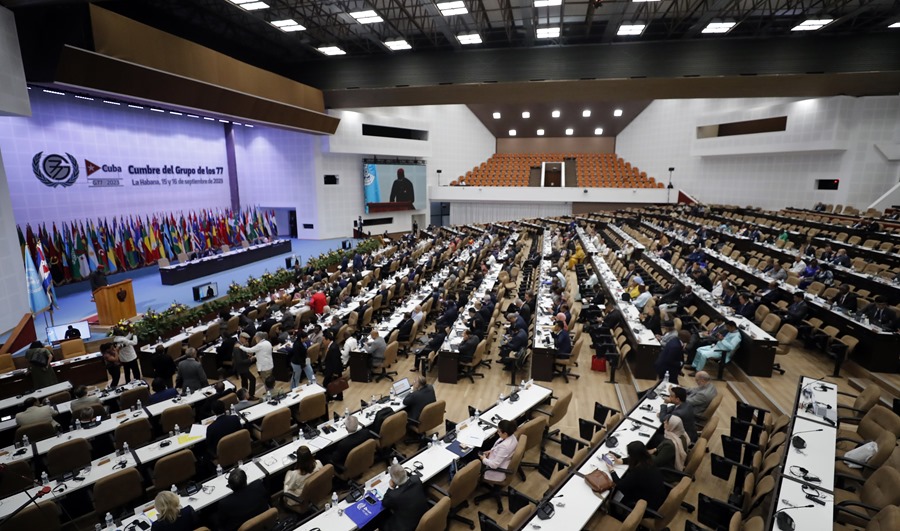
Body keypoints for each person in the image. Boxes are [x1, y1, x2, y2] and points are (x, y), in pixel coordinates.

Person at [609, 441, 668, 511]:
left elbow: (621, 485)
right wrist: (620, 461)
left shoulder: (638, 472)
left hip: (648, 506)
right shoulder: (649, 460)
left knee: (614, 495)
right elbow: (635, 458)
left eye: (630, 455)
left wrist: (611, 470)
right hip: (658, 497)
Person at [381, 464, 431, 531]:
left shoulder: (394, 495)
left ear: (392, 480)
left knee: (381, 522)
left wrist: (391, 487)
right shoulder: (416, 479)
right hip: (423, 516)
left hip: (408, 527)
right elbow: (412, 476)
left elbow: (384, 502)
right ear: (405, 473)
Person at [283, 446, 323, 512]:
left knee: (288, 473)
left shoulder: (296, 474)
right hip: (315, 491)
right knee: (290, 474)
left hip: (300, 498)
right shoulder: (318, 463)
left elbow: (291, 488)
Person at [321, 329, 344, 401]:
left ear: (328, 340)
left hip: (333, 370)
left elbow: (335, 361)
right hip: (334, 368)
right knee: (338, 383)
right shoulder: (333, 345)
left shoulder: (333, 348)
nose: (323, 342)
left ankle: (329, 397)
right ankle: (339, 397)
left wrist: (335, 373)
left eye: (323, 340)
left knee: (326, 383)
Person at [233, 333, 257, 399]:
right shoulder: (237, 348)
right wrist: (250, 360)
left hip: (243, 367)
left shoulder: (240, 345)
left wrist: (247, 355)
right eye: (246, 339)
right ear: (241, 337)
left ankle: (244, 396)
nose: (247, 341)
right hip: (242, 368)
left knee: (244, 381)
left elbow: (242, 355)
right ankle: (251, 395)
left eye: (247, 339)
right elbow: (240, 361)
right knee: (252, 379)